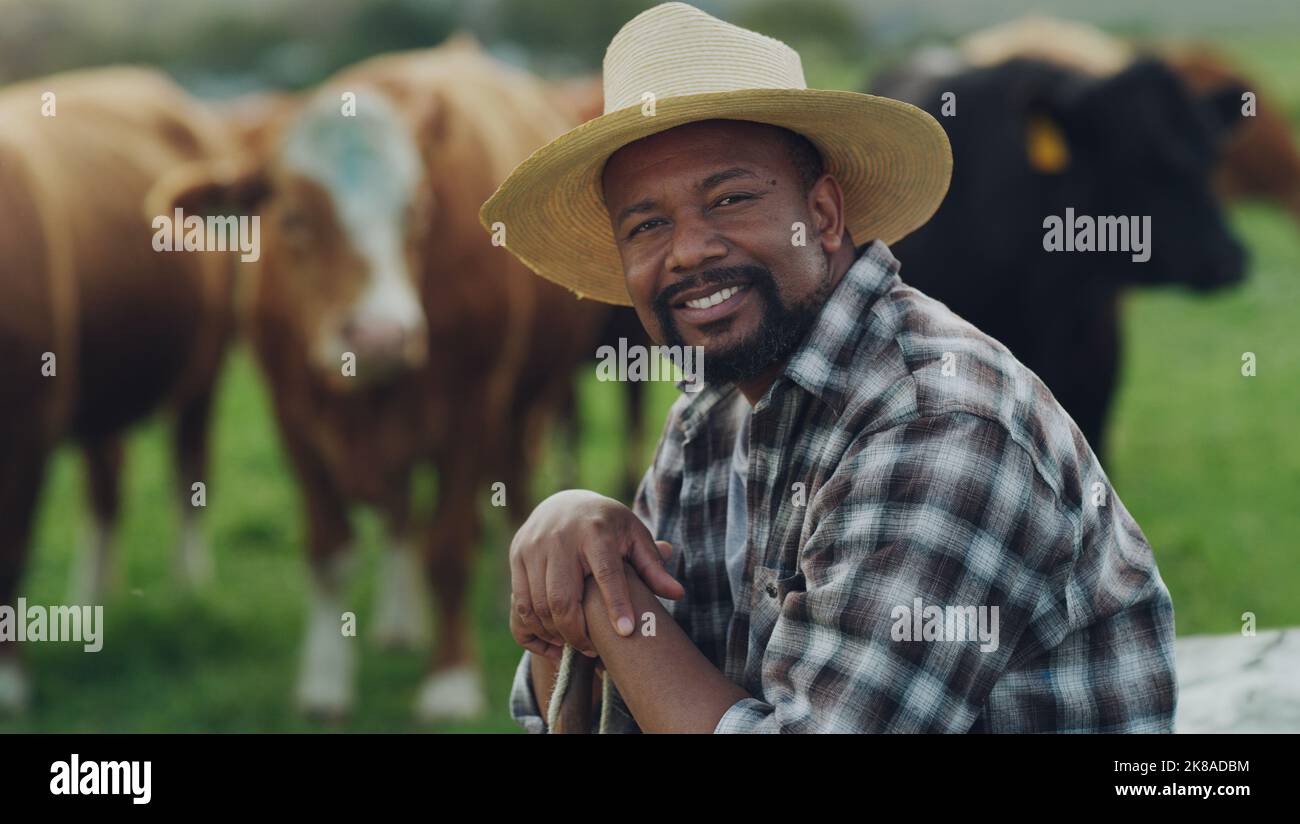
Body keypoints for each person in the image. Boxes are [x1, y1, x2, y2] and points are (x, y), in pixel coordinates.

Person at [481, 2, 1177, 733]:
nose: (687, 252)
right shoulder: (709, 415)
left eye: (730, 197)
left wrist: (604, 600)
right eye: (648, 224)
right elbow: (627, 712)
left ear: (823, 214)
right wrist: (566, 575)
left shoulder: (939, 423)